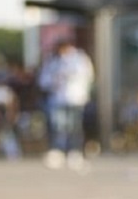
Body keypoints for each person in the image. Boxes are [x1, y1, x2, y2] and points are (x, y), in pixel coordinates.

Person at [37, 39, 95, 169]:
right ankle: (58, 152)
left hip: (76, 98)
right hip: (58, 99)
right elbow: (44, 80)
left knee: (74, 126)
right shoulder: (53, 61)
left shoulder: (80, 59)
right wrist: (54, 81)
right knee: (58, 126)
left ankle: (74, 152)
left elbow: (87, 76)